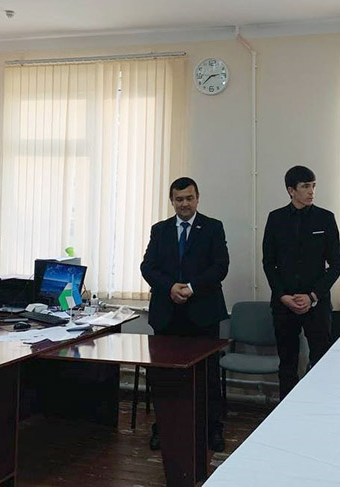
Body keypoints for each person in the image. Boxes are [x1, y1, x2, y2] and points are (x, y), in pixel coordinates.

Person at [140, 177, 229, 452]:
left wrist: (191, 287)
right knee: (166, 377)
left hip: (203, 314)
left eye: (189, 198)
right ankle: (164, 428)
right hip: (167, 314)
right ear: (172, 201)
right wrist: (170, 287)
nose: (185, 204)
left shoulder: (213, 227)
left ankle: (212, 429)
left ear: (198, 198)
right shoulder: (160, 230)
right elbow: (148, 267)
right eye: (179, 199)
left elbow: (220, 267)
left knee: (208, 375)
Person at [262, 165, 340, 400]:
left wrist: (312, 296)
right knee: (287, 363)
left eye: (313, 186)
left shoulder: (325, 218)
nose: (311, 191)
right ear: (291, 190)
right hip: (284, 304)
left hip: (316, 304)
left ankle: (319, 407)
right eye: (305, 186)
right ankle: (285, 411)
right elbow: (269, 263)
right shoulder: (276, 219)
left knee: (320, 360)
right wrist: (283, 296)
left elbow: (336, 264)